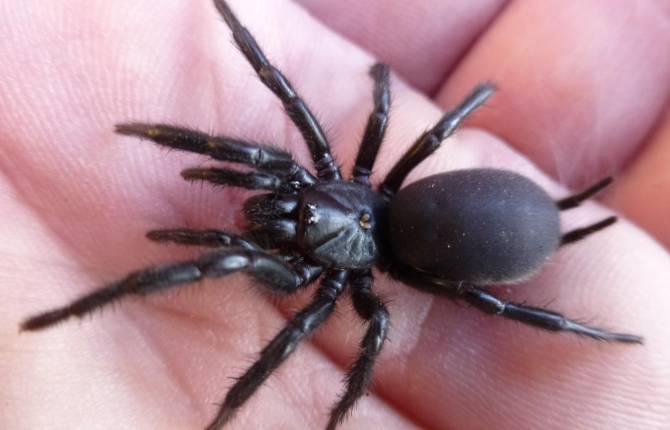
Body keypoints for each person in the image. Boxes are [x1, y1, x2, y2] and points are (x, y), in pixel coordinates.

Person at [2, 0, 668, 428]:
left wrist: (348, 399)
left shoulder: (327, 255)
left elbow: (313, 101)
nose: (281, 216)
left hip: (464, 228)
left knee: (483, 301)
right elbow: (305, 96)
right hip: (436, 215)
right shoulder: (332, 183)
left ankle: (590, 329)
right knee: (315, 144)